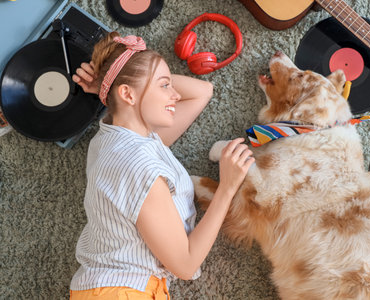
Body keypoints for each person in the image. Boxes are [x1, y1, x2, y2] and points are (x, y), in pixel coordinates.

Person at [69, 31, 254, 300]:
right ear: (128, 96)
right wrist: (227, 187)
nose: (175, 95)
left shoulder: (115, 137)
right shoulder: (140, 166)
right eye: (164, 85)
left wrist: (113, 87)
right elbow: (186, 265)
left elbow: (202, 92)